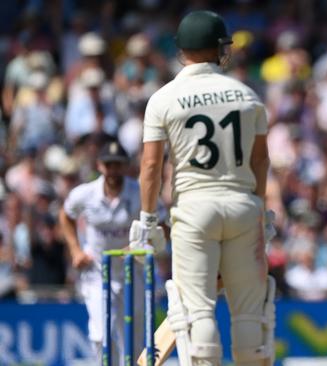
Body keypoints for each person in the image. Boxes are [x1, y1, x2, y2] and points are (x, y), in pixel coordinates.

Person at [131, 10, 274, 366]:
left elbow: (151, 166)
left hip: (194, 209)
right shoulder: (247, 95)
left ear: (181, 50)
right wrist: (261, 208)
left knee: (197, 311)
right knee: (247, 313)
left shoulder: (163, 98)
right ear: (219, 48)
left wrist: (148, 220)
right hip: (243, 206)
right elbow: (260, 162)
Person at [59, 141, 166, 364]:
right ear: (99, 166)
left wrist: (142, 242)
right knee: (101, 334)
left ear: (126, 166)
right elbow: (66, 215)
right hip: (98, 271)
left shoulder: (139, 192)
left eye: (118, 165)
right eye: (109, 165)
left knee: (135, 341)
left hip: (132, 271)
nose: (113, 170)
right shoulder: (85, 194)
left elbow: (163, 224)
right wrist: (75, 250)